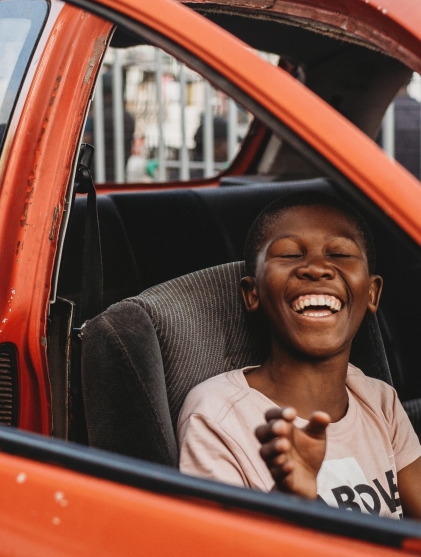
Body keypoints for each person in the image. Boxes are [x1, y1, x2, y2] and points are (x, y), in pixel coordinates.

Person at [177, 192, 421, 519]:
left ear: (372, 293)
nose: (317, 268)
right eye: (290, 254)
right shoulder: (217, 415)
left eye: (339, 253)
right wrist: (290, 502)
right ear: (253, 294)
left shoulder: (378, 399)